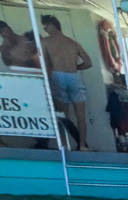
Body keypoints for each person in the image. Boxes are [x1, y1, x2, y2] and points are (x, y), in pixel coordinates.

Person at [40, 14, 92, 150]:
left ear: (52, 25)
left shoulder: (46, 41)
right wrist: (76, 67)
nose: (45, 29)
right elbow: (88, 63)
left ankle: (64, 145)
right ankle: (82, 145)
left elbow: (44, 62)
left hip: (58, 75)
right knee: (81, 115)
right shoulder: (73, 43)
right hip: (74, 76)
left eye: (45, 26)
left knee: (63, 115)